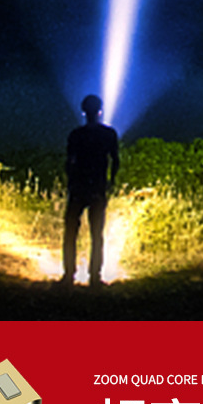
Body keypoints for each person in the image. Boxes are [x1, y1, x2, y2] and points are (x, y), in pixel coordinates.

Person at [60, 94, 119, 288]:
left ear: (83, 111)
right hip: (97, 189)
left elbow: (69, 161)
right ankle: (95, 277)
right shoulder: (109, 134)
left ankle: (69, 275)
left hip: (78, 188)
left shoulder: (76, 135)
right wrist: (111, 181)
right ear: (100, 111)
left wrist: (70, 182)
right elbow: (116, 161)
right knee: (97, 234)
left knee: (70, 232)